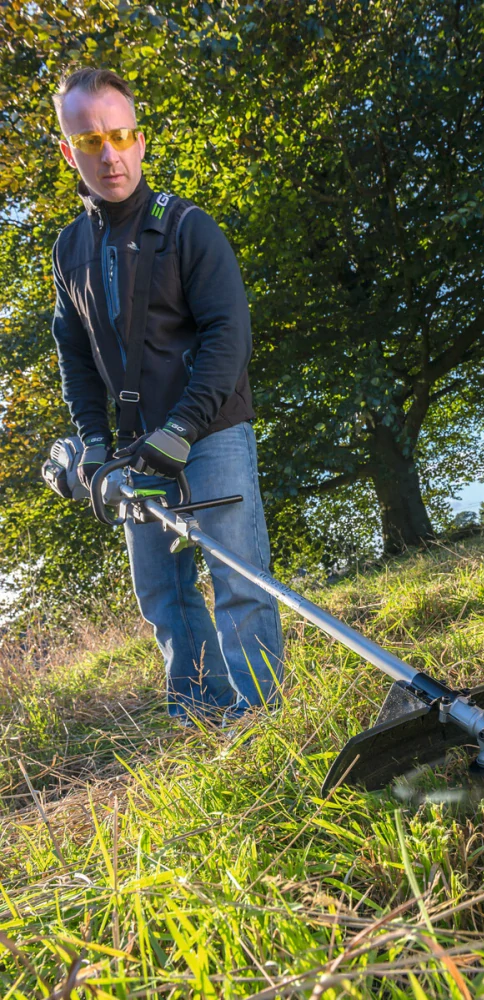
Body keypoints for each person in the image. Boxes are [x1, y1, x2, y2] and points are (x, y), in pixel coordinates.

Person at [50, 67, 283, 724]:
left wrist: (180, 429)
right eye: (90, 141)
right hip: (131, 452)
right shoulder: (70, 250)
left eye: (120, 135)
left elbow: (228, 337)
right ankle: (201, 716)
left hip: (209, 435)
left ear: (141, 141)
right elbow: (76, 354)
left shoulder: (188, 228)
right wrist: (96, 445)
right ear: (70, 151)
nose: (110, 154)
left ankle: (261, 724)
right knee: (164, 593)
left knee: (239, 581)